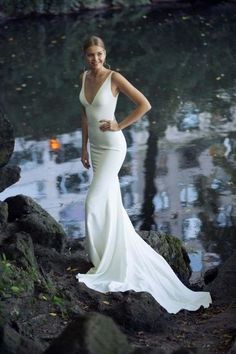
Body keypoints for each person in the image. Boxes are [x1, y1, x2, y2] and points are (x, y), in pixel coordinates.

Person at [76, 35, 212, 314]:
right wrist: (84, 148)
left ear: (105, 53)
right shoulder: (83, 77)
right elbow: (85, 113)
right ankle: (110, 254)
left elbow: (144, 104)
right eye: (91, 55)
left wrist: (119, 126)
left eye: (99, 54)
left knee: (92, 203)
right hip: (96, 149)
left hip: (113, 147)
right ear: (85, 56)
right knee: (110, 203)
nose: (96, 59)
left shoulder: (114, 77)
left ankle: (101, 263)